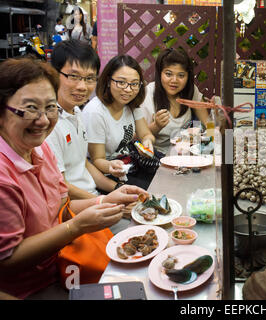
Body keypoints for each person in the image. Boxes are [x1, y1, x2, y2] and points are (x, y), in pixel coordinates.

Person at [0, 57, 147, 299]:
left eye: (49, 107)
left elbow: (60, 207)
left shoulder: (39, 149)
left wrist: (107, 200)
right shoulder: (5, 177)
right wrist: (75, 227)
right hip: (36, 286)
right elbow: (9, 259)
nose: (44, 120)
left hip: (66, 261)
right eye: (30, 108)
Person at [46, 39, 120, 200]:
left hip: (93, 197)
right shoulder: (48, 124)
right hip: (74, 207)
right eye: (74, 76)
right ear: (54, 74)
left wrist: (118, 188)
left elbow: (82, 164)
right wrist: (105, 201)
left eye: (89, 78)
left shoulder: (77, 111)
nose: (82, 86)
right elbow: (61, 185)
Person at [82, 54, 156, 190]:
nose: (128, 89)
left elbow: (146, 134)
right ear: (108, 81)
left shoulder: (131, 105)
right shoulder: (95, 112)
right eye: (121, 82)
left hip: (130, 164)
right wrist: (112, 167)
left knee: (164, 179)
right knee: (152, 192)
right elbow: (97, 160)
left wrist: (147, 142)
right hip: (107, 174)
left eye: (134, 84)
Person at [140, 48, 209, 155]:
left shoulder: (191, 91)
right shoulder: (148, 94)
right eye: (168, 74)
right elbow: (137, 136)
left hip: (185, 154)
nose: (174, 80)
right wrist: (156, 126)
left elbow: (209, 124)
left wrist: (218, 121)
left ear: (188, 76)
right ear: (160, 74)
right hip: (155, 157)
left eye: (181, 75)